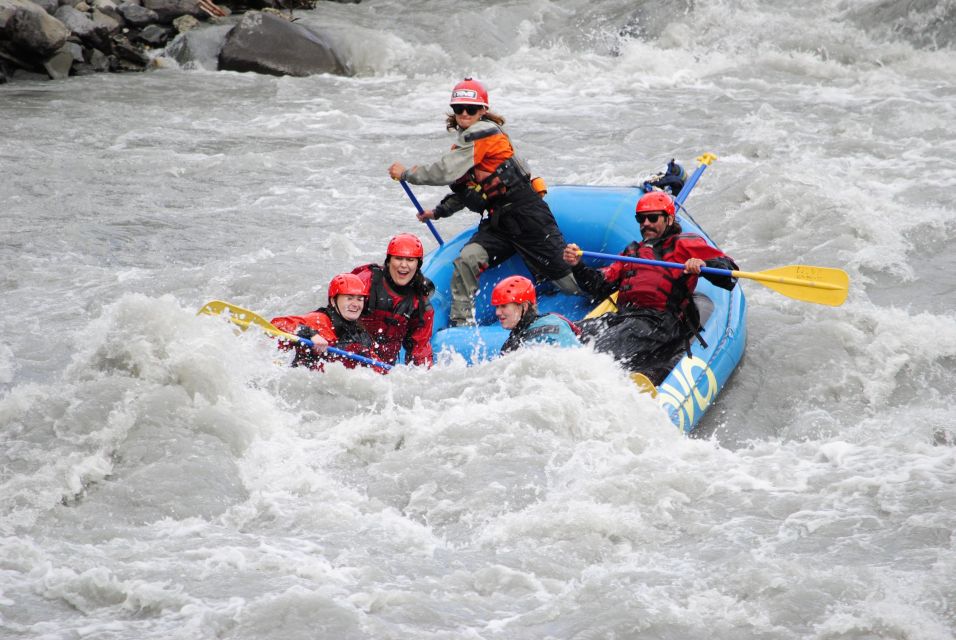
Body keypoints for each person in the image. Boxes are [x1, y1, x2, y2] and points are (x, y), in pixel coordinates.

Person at [388, 77, 579, 327]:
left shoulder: (483, 133)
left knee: (568, 282)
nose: (465, 113)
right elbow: (467, 189)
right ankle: (461, 324)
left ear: (483, 111)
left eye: (471, 108)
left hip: (527, 215)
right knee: (468, 258)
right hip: (499, 220)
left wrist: (406, 174)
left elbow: (444, 171)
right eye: (459, 109)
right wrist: (438, 212)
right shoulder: (469, 143)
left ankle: (606, 291)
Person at [562, 191, 738, 384]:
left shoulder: (686, 244)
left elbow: (729, 275)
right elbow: (598, 285)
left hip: (661, 321)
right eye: (641, 218)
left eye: (653, 218)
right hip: (624, 317)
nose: (646, 223)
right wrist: (577, 266)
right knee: (568, 332)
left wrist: (704, 266)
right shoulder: (632, 251)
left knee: (597, 350)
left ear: (669, 219)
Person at [271, 273, 385, 372]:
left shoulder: (361, 334)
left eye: (360, 299)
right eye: (349, 298)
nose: (355, 304)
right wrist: (310, 334)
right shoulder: (319, 320)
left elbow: (379, 368)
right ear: (332, 301)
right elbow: (276, 325)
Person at [351, 233, 435, 367]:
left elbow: (420, 349)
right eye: (398, 258)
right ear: (389, 261)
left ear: (418, 264)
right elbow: (337, 312)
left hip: (384, 368)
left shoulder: (420, 304)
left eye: (410, 260)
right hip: (352, 353)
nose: (403, 265)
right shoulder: (367, 281)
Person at [492, 275, 581, 353]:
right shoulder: (519, 337)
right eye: (497, 307)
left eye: (503, 306)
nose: (497, 312)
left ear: (524, 306)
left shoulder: (541, 336)